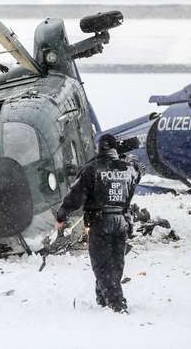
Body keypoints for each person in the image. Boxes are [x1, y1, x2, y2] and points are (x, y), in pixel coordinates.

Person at [55, 133, 142, 313]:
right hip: (121, 220)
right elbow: (137, 170)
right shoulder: (129, 169)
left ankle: (117, 304)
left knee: (102, 265)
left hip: (99, 222)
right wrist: (122, 155)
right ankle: (103, 299)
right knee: (116, 263)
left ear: (100, 148)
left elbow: (75, 196)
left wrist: (62, 216)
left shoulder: (92, 169)